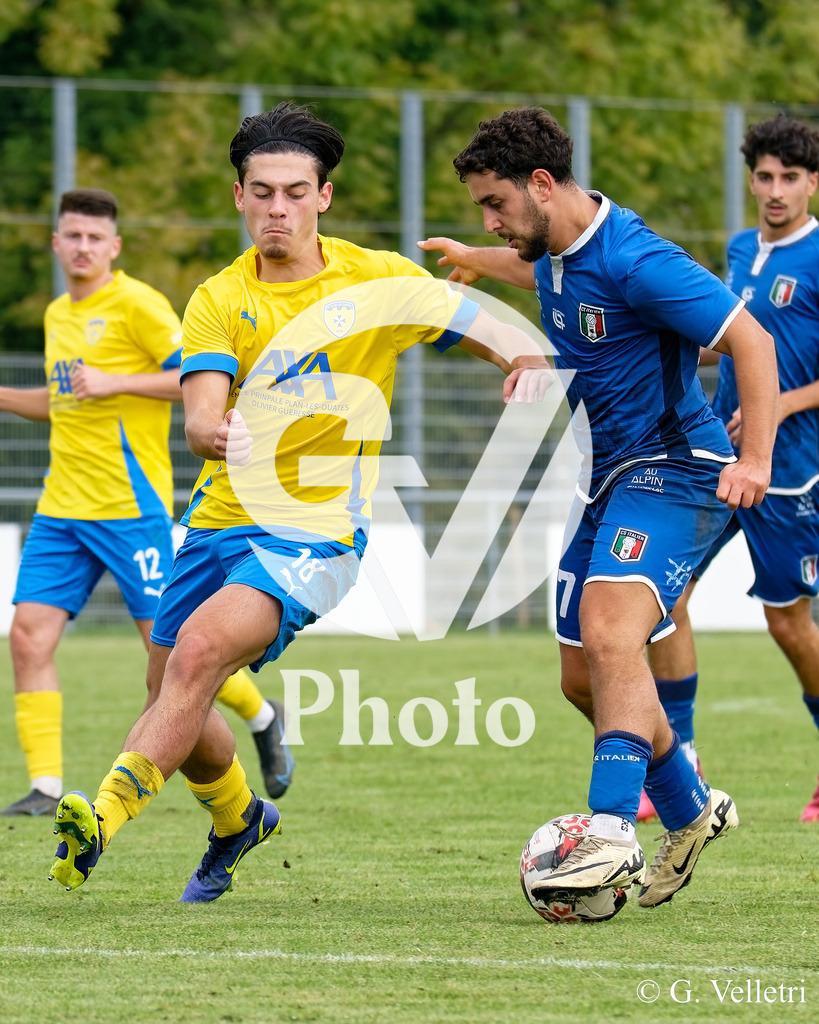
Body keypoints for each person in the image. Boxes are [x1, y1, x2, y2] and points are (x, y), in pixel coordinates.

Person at [47, 102, 551, 902]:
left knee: (201, 654)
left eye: (293, 192)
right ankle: (238, 817)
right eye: (261, 192)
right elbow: (202, 413)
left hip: (316, 535)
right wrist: (215, 433)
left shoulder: (378, 279)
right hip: (216, 521)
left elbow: (490, 327)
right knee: (173, 690)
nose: (276, 208)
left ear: (323, 197)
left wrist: (519, 361)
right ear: (238, 197)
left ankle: (100, 815)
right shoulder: (217, 296)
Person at [419, 105, 779, 910]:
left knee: (612, 631)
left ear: (541, 186)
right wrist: (477, 255)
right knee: (581, 678)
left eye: (496, 205)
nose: (490, 219)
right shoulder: (549, 246)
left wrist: (754, 457)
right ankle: (690, 811)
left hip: (677, 468)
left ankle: (610, 830)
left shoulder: (637, 260)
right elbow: (536, 271)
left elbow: (751, 340)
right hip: (607, 479)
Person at [0, 188, 292, 818]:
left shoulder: (136, 304)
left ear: (114, 247)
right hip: (61, 510)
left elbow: (192, 374)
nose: (81, 248)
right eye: (71, 236)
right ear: (56, 243)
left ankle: (264, 714)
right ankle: (46, 787)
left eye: (93, 238)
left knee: (168, 656)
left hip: (131, 510)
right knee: (27, 638)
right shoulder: (57, 315)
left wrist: (117, 381)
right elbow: (65, 402)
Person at [642, 114, 819, 825]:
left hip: (789, 472)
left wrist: (773, 407)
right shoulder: (741, 249)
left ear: (812, 183)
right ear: (750, 179)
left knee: (787, 626)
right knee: (662, 592)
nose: (774, 190)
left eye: (789, 178)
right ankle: (680, 755)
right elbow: (727, 341)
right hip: (717, 459)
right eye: (764, 177)